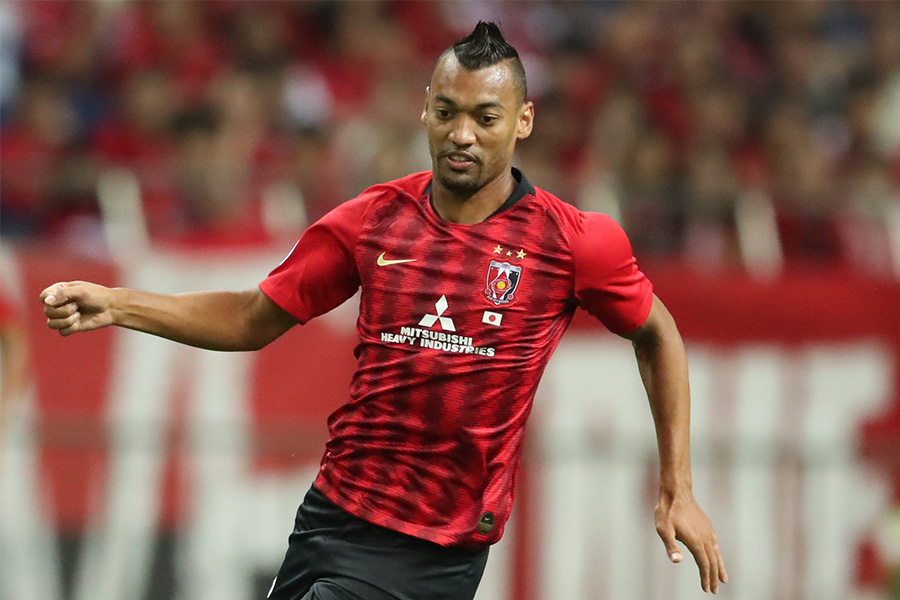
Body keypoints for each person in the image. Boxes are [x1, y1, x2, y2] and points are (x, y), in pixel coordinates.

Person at [41, 22, 727, 600]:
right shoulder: (373, 219)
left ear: (523, 121)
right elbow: (252, 318)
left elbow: (657, 335)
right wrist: (118, 303)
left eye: (485, 117)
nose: (462, 134)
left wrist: (677, 485)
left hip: (434, 548)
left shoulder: (573, 241)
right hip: (330, 515)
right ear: (425, 110)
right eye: (447, 112)